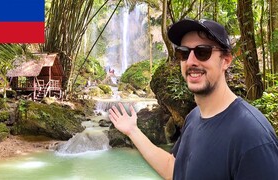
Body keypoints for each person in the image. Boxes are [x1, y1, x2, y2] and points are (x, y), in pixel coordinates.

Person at [108, 18, 278, 180]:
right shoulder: (194, 117)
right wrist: (133, 131)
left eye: (202, 52)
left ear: (226, 61)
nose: (190, 61)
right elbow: (172, 169)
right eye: (183, 53)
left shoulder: (253, 136)